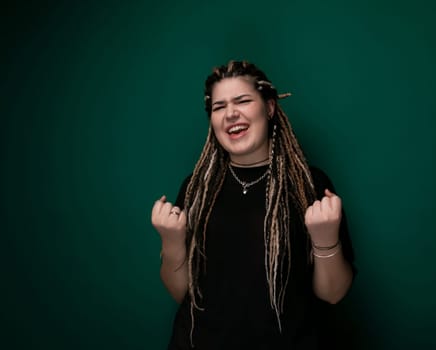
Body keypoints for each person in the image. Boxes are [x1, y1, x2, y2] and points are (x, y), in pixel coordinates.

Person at [151, 60, 355, 349]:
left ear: (270, 107)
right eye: (219, 107)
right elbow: (180, 292)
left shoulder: (309, 183)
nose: (231, 113)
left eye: (243, 101)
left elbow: (333, 293)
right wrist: (171, 242)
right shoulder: (196, 188)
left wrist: (325, 240)